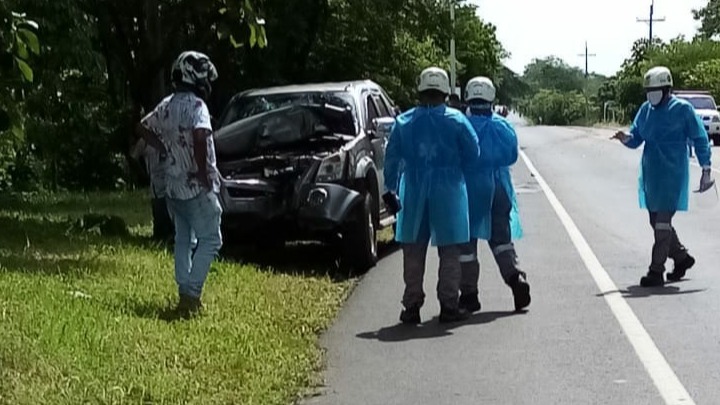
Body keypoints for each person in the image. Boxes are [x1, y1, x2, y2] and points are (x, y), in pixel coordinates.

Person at [383, 67, 480, 324]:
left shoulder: (404, 122)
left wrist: (390, 188)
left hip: (413, 189)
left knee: (413, 249)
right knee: (449, 249)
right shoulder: (457, 120)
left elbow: (391, 157)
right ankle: (449, 305)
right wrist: (459, 170)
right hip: (449, 190)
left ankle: (411, 305)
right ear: (445, 91)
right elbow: (474, 151)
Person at [136, 51, 223, 315]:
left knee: (183, 238)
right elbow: (200, 134)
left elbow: (141, 127)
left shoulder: (166, 104)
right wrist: (202, 171)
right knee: (211, 240)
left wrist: (162, 147)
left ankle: (184, 289)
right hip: (195, 186)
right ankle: (192, 295)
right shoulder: (198, 107)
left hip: (172, 186)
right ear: (195, 76)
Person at [611, 66, 714, 287]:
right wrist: (625, 138)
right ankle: (681, 257)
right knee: (655, 220)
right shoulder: (646, 110)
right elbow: (636, 137)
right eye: (649, 90)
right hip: (652, 174)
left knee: (662, 224)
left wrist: (706, 169)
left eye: (656, 89)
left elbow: (700, 138)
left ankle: (656, 270)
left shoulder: (683, 110)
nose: (652, 94)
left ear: (667, 89)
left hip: (673, 173)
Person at [459, 76, 530, 313]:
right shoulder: (502, 126)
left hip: (469, 188)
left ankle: (469, 295)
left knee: (466, 244)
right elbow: (511, 156)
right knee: (501, 240)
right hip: (499, 186)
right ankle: (515, 278)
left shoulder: (461, 123)